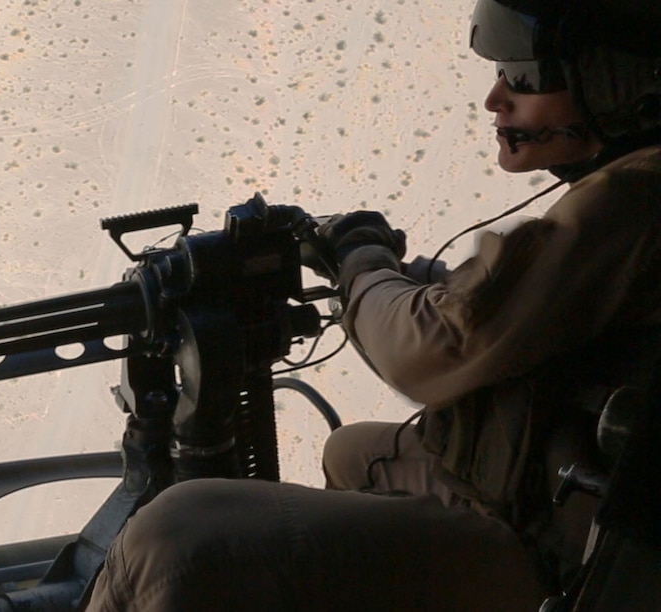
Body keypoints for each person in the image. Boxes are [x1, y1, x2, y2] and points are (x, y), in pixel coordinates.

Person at [84, 1, 661, 610]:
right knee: (352, 452)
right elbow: (514, 312)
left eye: (522, 78)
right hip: (556, 491)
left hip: (573, 559)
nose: (496, 99)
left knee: (174, 537)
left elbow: (435, 348)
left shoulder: (633, 198)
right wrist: (389, 274)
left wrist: (361, 262)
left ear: (617, 84)